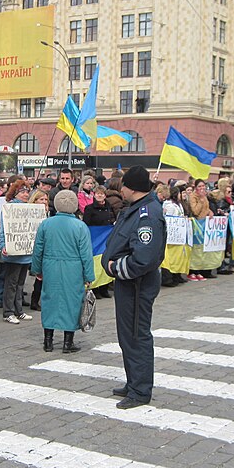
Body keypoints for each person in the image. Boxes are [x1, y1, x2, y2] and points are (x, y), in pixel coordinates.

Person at [102, 166, 166, 409]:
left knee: (137, 335)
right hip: (129, 283)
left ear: (130, 188)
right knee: (127, 335)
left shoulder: (147, 214)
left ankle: (140, 391)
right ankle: (133, 382)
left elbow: (144, 258)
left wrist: (115, 267)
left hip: (137, 283)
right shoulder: (137, 209)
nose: (121, 189)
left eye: (123, 186)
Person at [31, 190, 95, 353]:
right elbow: (86, 254)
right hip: (73, 268)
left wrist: (36, 269)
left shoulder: (46, 224)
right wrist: (89, 275)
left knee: (49, 300)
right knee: (72, 302)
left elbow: (38, 249)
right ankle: (68, 342)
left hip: (50, 266)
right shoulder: (80, 226)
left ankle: (48, 341)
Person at [0, 180, 34, 324]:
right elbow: (3, 230)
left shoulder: (31, 209)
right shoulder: (9, 209)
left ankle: (18, 310)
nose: (26, 194)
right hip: (14, 253)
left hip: (26, 253)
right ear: (15, 193)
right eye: (23, 192)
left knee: (20, 284)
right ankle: (8, 312)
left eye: (27, 192)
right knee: (11, 284)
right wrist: (3, 246)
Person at [27, 189, 50, 311]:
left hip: (44, 247)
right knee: (38, 275)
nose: (44, 202)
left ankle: (37, 300)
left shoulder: (48, 213)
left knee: (42, 276)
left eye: (46, 200)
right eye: (41, 199)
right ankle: (34, 301)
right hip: (30, 247)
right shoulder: (28, 212)